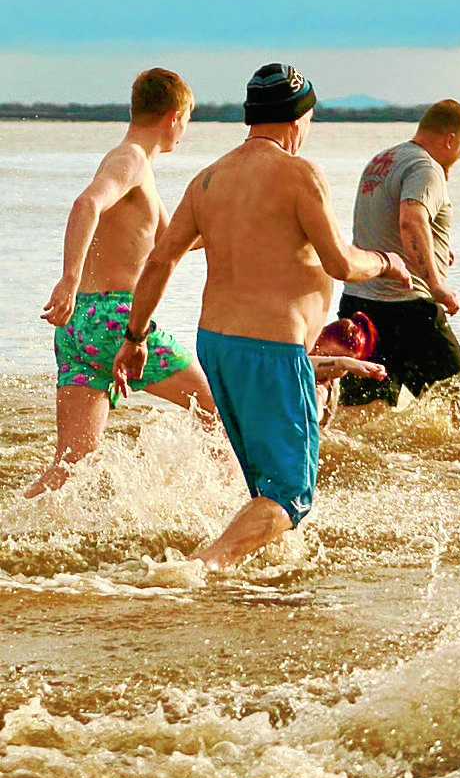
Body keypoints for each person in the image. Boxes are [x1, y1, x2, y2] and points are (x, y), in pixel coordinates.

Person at [113, 64, 411, 569]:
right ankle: (199, 569)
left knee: (265, 483)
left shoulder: (208, 180)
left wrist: (135, 336)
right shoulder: (300, 174)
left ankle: (254, 584)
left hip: (217, 345)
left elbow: (161, 260)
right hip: (270, 349)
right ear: (299, 119)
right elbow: (341, 263)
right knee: (293, 494)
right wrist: (386, 261)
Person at [23, 68, 220, 499]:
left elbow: (177, 243)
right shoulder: (130, 159)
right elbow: (86, 203)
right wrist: (69, 278)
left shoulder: (136, 166)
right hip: (115, 319)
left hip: (78, 330)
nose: (185, 132)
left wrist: (242, 225)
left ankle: (13, 528)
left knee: (72, 465)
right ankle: (226, 504)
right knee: (216, 413)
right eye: (187, 121)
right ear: (174, 117)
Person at [337, 99, 460, 407]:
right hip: (407, 311)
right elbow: (411, 220)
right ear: (450, 139)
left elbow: (384, 223)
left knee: (367, 414)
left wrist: (437, 250)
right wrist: (436, 282)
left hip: (359, 304)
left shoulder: (383, 160)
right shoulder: (426, 167)